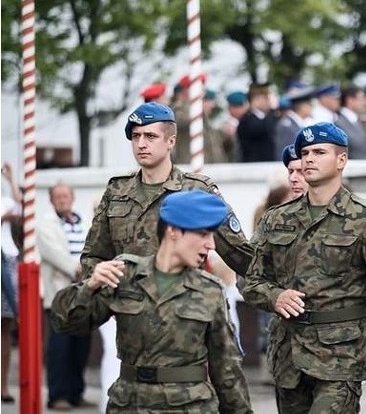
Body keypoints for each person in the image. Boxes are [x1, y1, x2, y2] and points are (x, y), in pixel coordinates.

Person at [243, 122, 366, 413]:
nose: (309, 158)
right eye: (306, 152)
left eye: (319, 152)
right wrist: (274, 297)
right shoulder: (276, 219)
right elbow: (249, 277)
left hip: (339, 358)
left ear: (341, 160)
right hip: (289, 357)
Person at [51, 190, 253, 413]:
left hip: (190, 407)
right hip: (130, 405)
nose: (211, 245)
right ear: (174, 231)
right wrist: (89, 286)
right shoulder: (125, 275)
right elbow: (65, 322)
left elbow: (226, 368)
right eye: (203, 234)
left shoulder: (210, 290)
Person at [81, 101, 254, 282]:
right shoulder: (117, 190)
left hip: (182, 303)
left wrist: (274, 292)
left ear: (170, 141)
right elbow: (92, 257)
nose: (141, 144)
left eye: (150, 136)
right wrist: (105, 283)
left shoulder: (197, 190)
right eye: (135, 136)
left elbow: (241, 256)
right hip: (129, 305)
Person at [37, 183, 94, 410]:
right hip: (60, 293)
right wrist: (79, 269)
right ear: (51, 201)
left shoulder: (85, 223)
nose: (62, 200)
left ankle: (75, 393)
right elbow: (53, 254)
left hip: (85, 293)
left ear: (72, 197)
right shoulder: (45, 225)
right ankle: (58, 395)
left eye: (65, 196)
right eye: (57, 197)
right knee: (60, 347)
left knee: (82, 345)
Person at [1, 163, 20, 404]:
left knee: (5, 327)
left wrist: (11, 178)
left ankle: (4, 386)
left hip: (7, 258)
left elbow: (24, 208)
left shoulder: (5, 199)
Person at [236, 82, 279, 162]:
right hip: (254, 165)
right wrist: (273, 110)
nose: (268, 101)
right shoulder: (247, 120)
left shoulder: (268, 117)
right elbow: (262, 128)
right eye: (265, 98)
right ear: (255, 100)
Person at [273, 86, 316, 159]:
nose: (311, 108)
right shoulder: (287, 126)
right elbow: (284, 155)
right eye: (309, 104)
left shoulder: (297, 124)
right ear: (301, 106)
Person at [335, 84, 366, 159]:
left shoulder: (357, 121)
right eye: (361, 99)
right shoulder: (339, 124)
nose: (363, 102)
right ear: (350, 100)